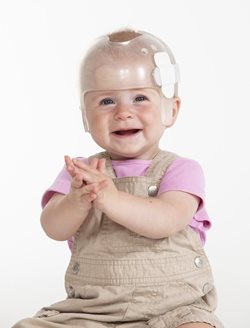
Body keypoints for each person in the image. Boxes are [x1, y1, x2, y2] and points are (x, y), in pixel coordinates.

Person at [13, 29, 223, 328]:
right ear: (86, 117)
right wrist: (77, 200)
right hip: (92, 311)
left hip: (174, 309)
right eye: (107, 102)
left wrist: (111, 199)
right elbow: (53, 227)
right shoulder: (82, 172)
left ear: (170, 109)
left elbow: (167, 220)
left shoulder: (181, 169)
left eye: (140, 98)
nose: (124, 112)